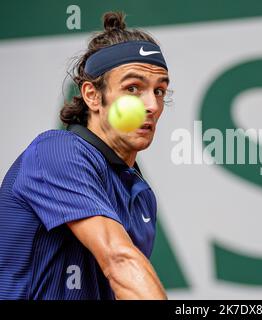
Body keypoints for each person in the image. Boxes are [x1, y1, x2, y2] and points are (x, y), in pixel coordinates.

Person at [0, 11, 169, 300]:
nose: (152, 105)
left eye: (160, 90)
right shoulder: (55, 151)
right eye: (133, 88)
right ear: (92, 95)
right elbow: (120, 261)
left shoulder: (140, 196)